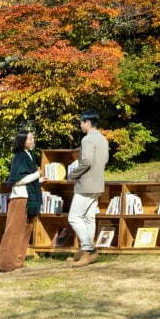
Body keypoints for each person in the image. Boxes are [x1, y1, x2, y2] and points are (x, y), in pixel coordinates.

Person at [66, 111, 109, 268]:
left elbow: (86, 162)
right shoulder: (103, 139)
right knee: (89, 217)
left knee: (74, 217)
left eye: (81, 123)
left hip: (86, 185)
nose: (80, 125)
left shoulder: (87, 139)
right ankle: (87, 251)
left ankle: (88, 249)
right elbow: (105, 160)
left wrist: (72, 174)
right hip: (98, 184)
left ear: (88, 123)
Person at [0, 130, 41, 272]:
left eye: (33, 138)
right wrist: (36, 175)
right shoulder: (19, 157)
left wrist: (39, 178)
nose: (32, 140)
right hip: (19, 197)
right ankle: (5, 264)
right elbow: (18, 180)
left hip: (30, 198)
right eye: (30, 139)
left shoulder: (30, 155)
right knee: (13, 230)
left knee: (26, 230)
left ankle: (17, 261)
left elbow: (30, 177)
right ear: (22, 141)